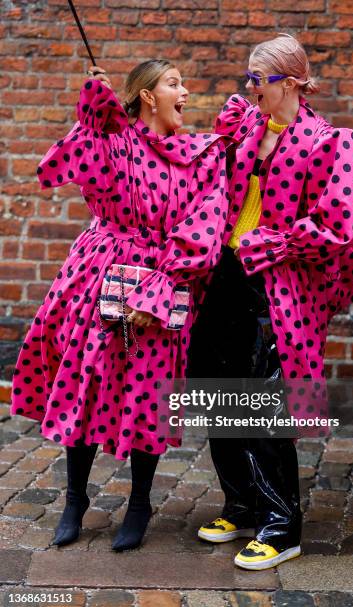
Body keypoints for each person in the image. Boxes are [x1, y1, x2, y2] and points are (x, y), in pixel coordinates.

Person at [11, 60, 229, 552]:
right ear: (148, 96)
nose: (186, 92)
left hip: (164, 278)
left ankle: (140, 504)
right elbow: (80, 161)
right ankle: (73, 500)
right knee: (86, 379)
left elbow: (206, 225)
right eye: (175, 83)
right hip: (99, 273)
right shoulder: (116, 141)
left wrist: (161, 286)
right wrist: (93, 113)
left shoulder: (203, 155)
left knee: (150, 392)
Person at [188, 33, 353, 570]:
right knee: (211, 385)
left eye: (260, 79)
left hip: (277, 282)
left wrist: (272, 242)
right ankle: (241, 503)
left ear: (292, 83)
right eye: (248, 77)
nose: (250, 88)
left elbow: (340, 223)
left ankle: (280, 526)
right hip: (224, 273)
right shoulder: (245, 130)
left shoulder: (331, 143)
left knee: (261, 396)